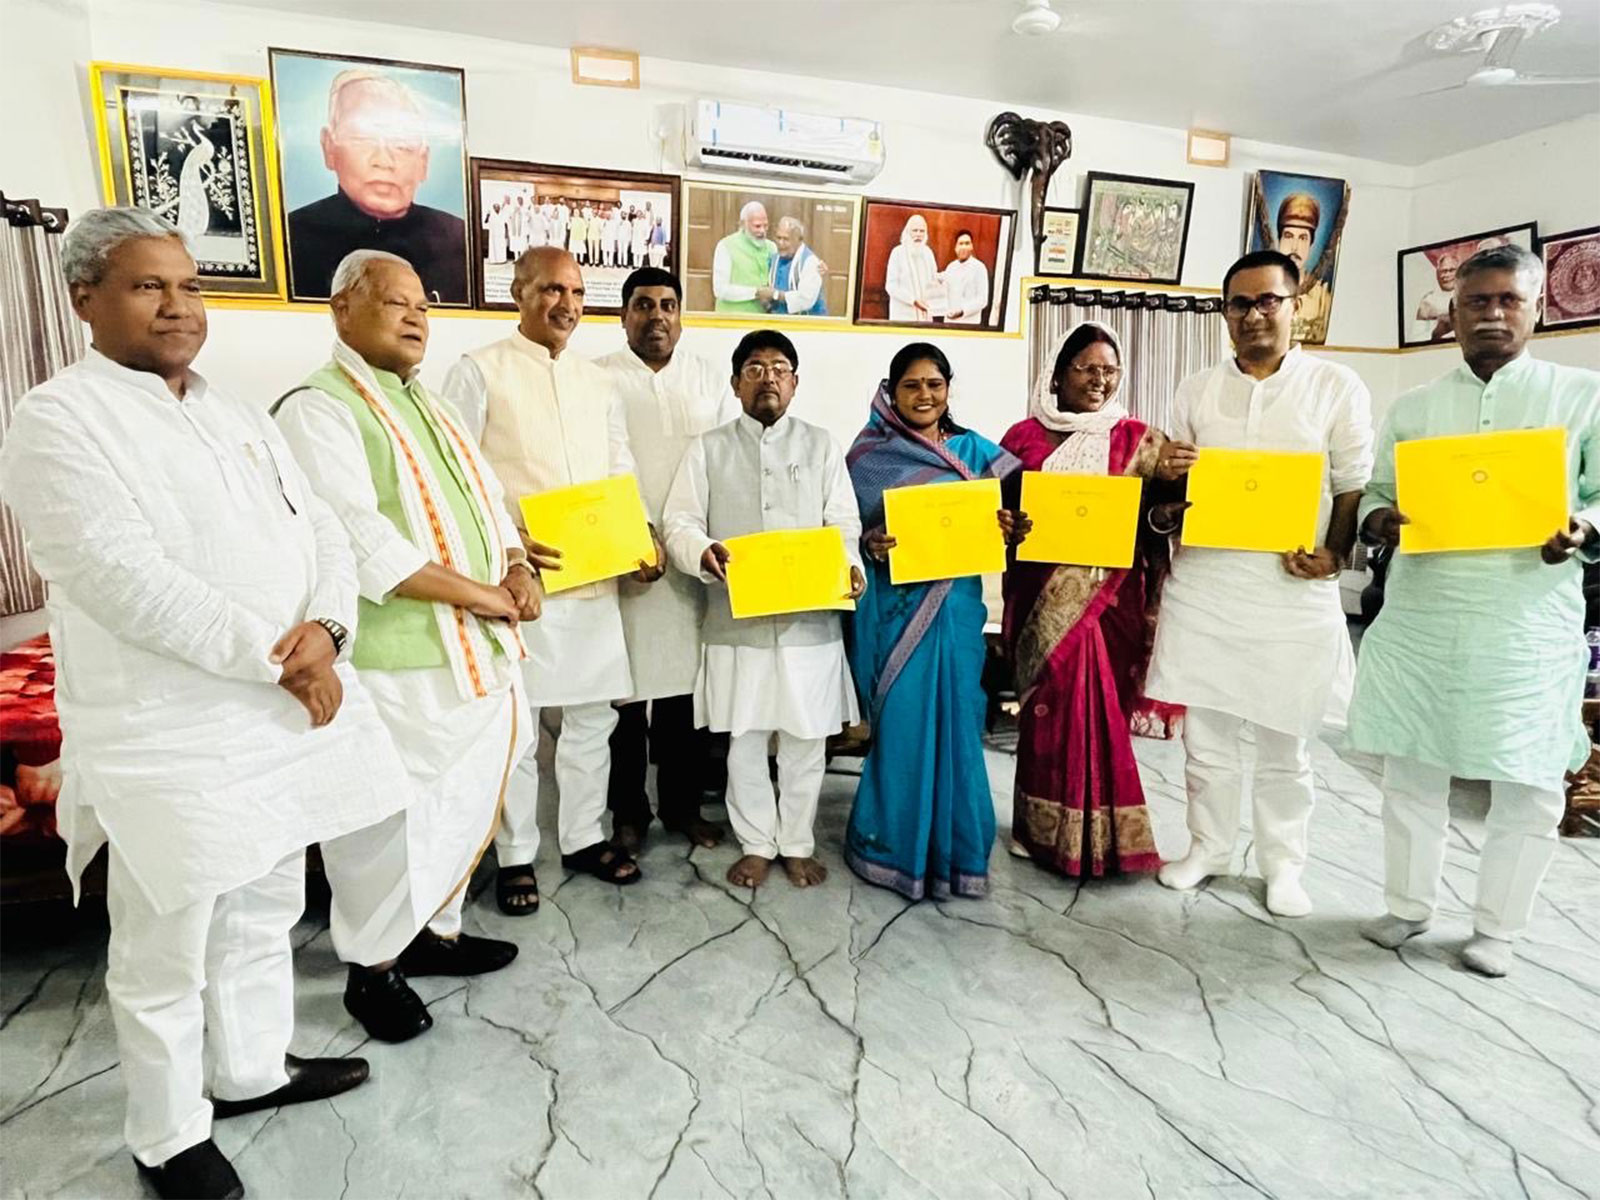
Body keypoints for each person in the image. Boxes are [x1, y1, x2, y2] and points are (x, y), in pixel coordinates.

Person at [0, 207, 411, 1200]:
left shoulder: (230, 410)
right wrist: (281, 658)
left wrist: (331, 631)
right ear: (84, 298)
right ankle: (168, 1134)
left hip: (279, 712)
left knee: (267, 901)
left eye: (189, 285)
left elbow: (318, 530)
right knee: (166, 938)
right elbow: (123, 579)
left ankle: (250, 1068)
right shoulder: (56, 418)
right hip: (169, 731)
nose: (178, 306)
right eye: (149, 286)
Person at [274, 250, 535, 1038]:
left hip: (472, 648)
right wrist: (487, 594)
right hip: (394, 658)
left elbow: (492, 498)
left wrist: (519, 563)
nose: (416, 316)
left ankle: (429, 933)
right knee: (387, 820)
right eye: (395, 302)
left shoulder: (430, 401)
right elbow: (359, 537)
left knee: (453, 807)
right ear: (341, 308)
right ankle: (371, 970)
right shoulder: (317, 407)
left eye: (423, 303)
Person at [1351, 244, 1600, 977]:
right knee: (1410, 771)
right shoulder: (1416, 407)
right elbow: (1373, 495)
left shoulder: (1581, 396)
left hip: (1526, 621)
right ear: (1452, 314)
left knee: (1526, 779)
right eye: (1476, 302)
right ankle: (1406, 906)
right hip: (1424, 615)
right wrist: (1378, 522)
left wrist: (1583, 529)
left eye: (1507, 301)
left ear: (1536, 310)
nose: (1491, 314)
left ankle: (1498, 929)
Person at [1145, 249, 1374, 917]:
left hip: (1291, 587)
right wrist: (1171, 475)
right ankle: (1207, 850)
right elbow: (1172, 489)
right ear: (1225, 313)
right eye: (1239, 304)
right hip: (1209, 583)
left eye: (1268, 300)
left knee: (1286, 740)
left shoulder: (1335, 386)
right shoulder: (1197, 387)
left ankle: (1283, 865)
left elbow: (1352, 483)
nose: (1254, 315)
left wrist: (1334, 556)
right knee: (1206, 736)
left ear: (1296, 304)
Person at [444, 246, 660, 907]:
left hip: (595, 577)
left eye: (573, 291)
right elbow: (458, 476)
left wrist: (641, 533)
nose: (564, 303)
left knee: (593, 720)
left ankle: (582, 837)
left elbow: (620, 464)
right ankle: (515, 854)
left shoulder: (600, 381)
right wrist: (508, 545)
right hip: (521, 580)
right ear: (518, 292)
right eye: (548, 290)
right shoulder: (479, 370)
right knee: (521, 727)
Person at [663, 330, 865, 889]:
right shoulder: (707, 447)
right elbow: (679, 522)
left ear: (795, 383)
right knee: (745, 739)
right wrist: (702, 552)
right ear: (735, 383)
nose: (767, 378)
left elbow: (843, 521)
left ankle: (796, 842)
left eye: (779, 368)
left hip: (809, 622)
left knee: (805, 740)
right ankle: (756, 841)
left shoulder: (821, 445)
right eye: (754, 368)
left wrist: (849, 563)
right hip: (737, 621)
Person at [999, 323, 1190, 878]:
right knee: (1046, 713)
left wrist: (1161, 515)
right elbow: (998, 511)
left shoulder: (1140, 440)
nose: (1099, 380)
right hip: (1040, 597)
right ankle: (1035, 831)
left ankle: (1105, 838)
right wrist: (1009, 525)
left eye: (1109, 370)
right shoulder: (1022, 438)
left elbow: (1159, 519)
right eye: (1086, 368)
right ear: (1058, 375)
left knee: (1099, 709)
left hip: (1110, 600)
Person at [844, 343, 1029, 899]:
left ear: (948, 389)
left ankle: (957, 851)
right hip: (897, 611)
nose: (924, 395)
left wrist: (1010, 526)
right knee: (902, 726)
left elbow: (1016, 514)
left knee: (958, 724)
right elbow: (843, 529)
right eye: (912, 385)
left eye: (935, 384)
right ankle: (890, 846)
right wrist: (870, 545)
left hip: (957, 612)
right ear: (891, 390)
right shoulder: (868, 456)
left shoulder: (974, 451)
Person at [598, 268, 738, 852]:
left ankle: (681, 807)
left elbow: (730, 461)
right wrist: (628, 535)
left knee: (683, 695)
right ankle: (628, 812)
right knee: (624, 696)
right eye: (644, 305)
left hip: (689, 560)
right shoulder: (598, 378)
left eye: (669, 305)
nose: (657, 316)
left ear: (682, 314)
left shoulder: (709, 379)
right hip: (625, 555)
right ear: (623, 315)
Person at [285, 69, 468, 303]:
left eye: (402, 145)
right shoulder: (294, 238)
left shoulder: (456, 240)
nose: (384, 161)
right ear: (329, 147)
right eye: (362, 139)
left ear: (423, 161)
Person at [1273, 192, 1332, 344]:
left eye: (1303, 238)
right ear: (1279, 239)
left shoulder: (1322, 298)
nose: (1295, 246)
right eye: (1288, 236)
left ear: (1311, 244)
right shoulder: (1260, 294)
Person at [755, 215, 828, 317]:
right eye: (778, 238)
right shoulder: (774, 258)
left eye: (786, 239)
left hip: (808, 325)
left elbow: (805, 300)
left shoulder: (811, 262)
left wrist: (775, 294)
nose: (781, 243)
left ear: (799, 240)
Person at [712, 201, 778, 313]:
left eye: (765, 226)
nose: (762, 231)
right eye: (757, 226)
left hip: (764, 320)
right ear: (743, 224)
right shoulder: (726, 246)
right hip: (732, 319)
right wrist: (756, 292)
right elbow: (720, 290)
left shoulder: (772, 247)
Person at [885, 213, 939, 322]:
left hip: (925, 315)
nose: (918, 234)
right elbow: (891, 286)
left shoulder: (928, 253)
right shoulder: (897, 253)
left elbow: (934, 279)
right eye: (915, 230)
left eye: (922, 231)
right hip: (903, 315)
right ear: (907, 232)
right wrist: (913, 300)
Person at [942, 230, 990, 325]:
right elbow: (944, 293)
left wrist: (962, 311)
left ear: (972, 246)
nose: (964, 247)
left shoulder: (979, 267)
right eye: (961, 244)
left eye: (967, 243)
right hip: (949, 322)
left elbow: (982, 299)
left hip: (970, 322)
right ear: (955, 247)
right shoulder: (951, 267)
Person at [1413, 251, 1460, 343]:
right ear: (1437, 274)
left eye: (1451, 270)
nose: (1446, 275)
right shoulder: (1428, 301)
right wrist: (1435, 333)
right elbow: (1416, 338)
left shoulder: (1467, 296)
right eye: (1443, 271)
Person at [486, 200, 510, 266]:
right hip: (493, 234)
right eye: (495, 207)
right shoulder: (491, 214)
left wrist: (506, 233)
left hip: (501, 233)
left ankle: (502, 259)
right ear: (493, 208)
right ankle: (494, 260)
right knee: (494, 246)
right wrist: (488, 215)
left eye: (498, 207)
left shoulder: (502, 214)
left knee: (501, 246)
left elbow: (505, 223)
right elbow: (486, 221)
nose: (497, 208)